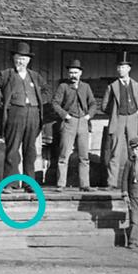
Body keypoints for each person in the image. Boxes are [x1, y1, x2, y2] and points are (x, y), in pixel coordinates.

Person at [0, 41, 49, 186]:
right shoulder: (6, 74)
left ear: (28, 60)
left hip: (33, 114)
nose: (21, 61)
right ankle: (9, 184)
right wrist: (1, 103)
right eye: (18, 58)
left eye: (24, 58)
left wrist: (38, 102)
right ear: (14, 59)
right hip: (15, 114)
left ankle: (29, 184)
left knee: (30, 152)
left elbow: (47, 91)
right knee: (12, 150)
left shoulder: (35, 76)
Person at [101, 53, 138, 190]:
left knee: (135, 150)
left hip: (133, 118)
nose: (121, 69)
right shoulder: (112, 87)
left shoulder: (137, 86)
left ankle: (136, 180)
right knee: (115, 151)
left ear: (129, 69)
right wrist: (115, 112)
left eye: (124, 67)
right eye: (119, 67)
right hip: (119, 119)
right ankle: (112, 182)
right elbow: (104, 106)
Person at [51, 59, 96, 191]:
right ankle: (61, 184)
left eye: (75, 72)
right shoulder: (63, 87)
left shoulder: (86, 87)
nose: (73, 75)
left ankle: (84, 184)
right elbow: (55, 103)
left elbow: (93, 103)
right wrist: (65, 115)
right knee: (64, 154)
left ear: (80, 73)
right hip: (69, 122)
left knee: (84, 156)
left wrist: (88, 116)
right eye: (71, 73)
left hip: (83, 122)